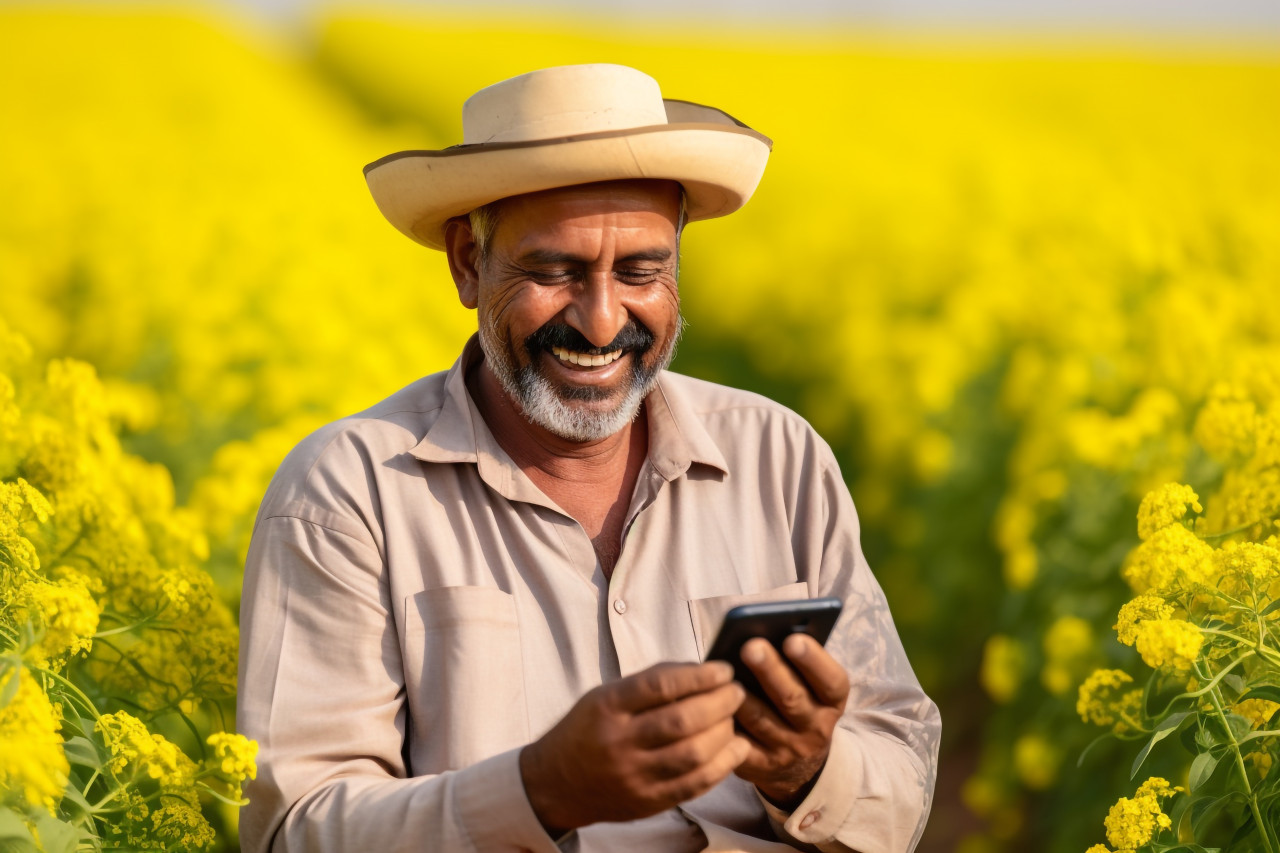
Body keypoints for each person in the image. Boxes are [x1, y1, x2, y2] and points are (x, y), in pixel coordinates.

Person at [237, 63, 940, 853]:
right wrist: (539, 790)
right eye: (554, 271)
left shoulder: (779, 457)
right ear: (468, 262)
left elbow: (902, 776)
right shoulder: (348, 493)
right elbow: (293, 830)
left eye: (641, 271)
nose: (603, 322)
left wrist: (807, 770)